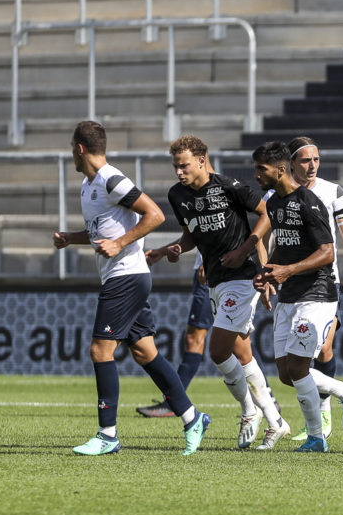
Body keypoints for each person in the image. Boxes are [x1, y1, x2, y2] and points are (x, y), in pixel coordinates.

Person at [53, 120, 210, 456]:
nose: (72, 154)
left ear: (79, 148)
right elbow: (101, 234)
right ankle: (191, 417)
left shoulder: (112, 179)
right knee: (144, 351)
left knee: (100, 350)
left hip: (126, 275)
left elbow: (153, 215)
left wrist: (122, 242)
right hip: (122, 275)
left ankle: (107, 435)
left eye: (72, 148)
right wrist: (71, 238)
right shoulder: (88, 185)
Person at [145, 135, 289, 451]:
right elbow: (191, 233)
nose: (179, 172)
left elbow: (268, 213)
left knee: (217, 350)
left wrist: (245, 249)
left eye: (183, 165)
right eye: (175, 166)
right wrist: (175, 248)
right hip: (216, 279)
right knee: (241, 353)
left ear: (201, 160)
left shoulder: (229, 186)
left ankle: (249, 411)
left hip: (243, 275)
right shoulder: (177, 195)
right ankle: (275, 420)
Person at [251, 141, 343, 453]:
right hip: (289, 294)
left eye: (262, 169)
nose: (257, 174)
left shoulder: (309, 202)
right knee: (287, 374)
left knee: (300, 367)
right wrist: (269, 271)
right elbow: (283, 245)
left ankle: (317, 437)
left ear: (280, 169)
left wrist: (289, 271)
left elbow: (328, 252)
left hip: (317, 293)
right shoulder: (273, 203)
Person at [283, 136, 343, 442]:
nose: (312, 166)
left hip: (324, 283)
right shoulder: (278, 193)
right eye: (306, 160)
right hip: (288, 285)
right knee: (292, 365)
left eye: (316, 159)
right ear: (291, 162)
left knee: (319, 350)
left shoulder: (333, 191)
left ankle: (321, 419)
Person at [134, 251, 211, 417]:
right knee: (235, 339)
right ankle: (268, 399)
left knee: (198, 338)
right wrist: (163, 251)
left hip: (214, 273)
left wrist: (212, 259)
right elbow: (194, 234)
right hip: (209, 271)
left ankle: (172, 403)